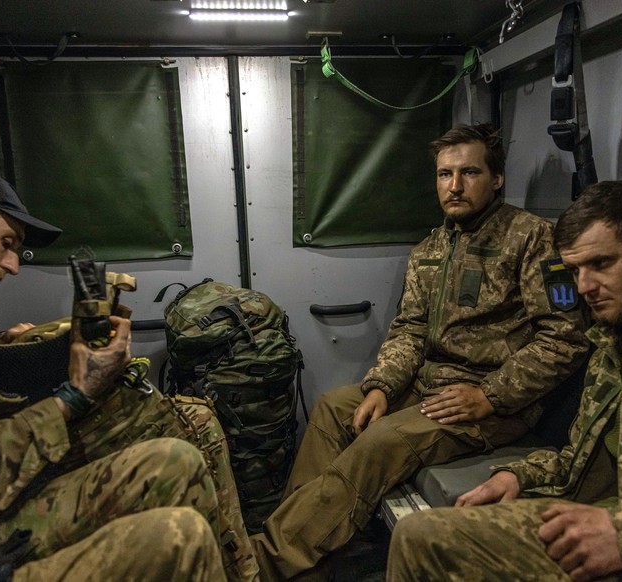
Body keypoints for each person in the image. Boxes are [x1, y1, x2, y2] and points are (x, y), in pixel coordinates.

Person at [0, 167, 258, 581]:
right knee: (181, 533)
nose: (12, 265)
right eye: (7, 243)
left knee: (177, 455)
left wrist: (27, 348)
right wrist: (69, 400)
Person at [251, 124, 590, 580]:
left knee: (383, 441)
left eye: (469, 172)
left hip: (491, 405)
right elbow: (409, 329)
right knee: (335, 408)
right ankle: (311, 552)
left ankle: (268, 562)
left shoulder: (533, 240)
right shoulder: (431, 248)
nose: (454, 186)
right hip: (426, 386)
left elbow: (564, 338)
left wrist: (490, 394)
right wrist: (382, 387)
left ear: (497, 179)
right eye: (444, 174)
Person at [386, 180, 622, 581]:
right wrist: (517, 474)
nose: (583, 288)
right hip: (615, 519)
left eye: (601, 264)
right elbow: (580, 457)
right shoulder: (612, 342)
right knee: (420, 535)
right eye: (574, 270)